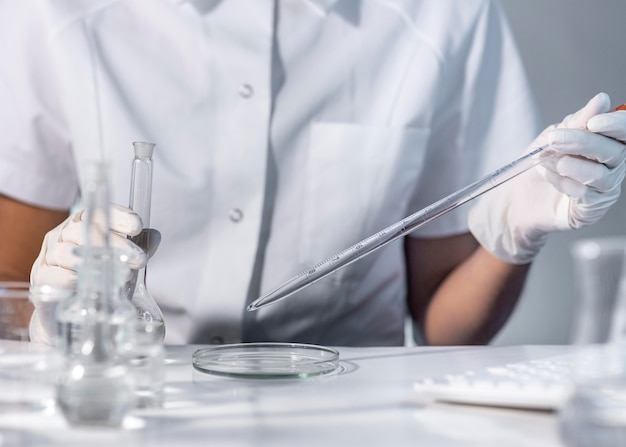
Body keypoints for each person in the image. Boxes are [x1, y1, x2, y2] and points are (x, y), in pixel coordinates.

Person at [1, 0, 624, 346]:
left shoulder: (444, 15)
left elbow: (446, 329)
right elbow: (10, 291)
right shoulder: (51, 13)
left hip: (356, 421)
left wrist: (511, 239)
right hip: (134, 408)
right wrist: (53, 323)